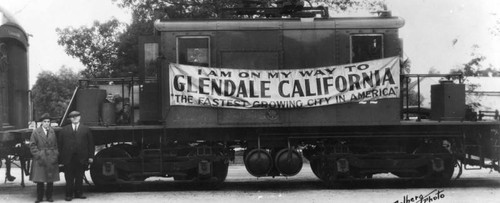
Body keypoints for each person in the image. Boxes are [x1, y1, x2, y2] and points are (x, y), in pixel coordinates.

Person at [58, 111, 94, 201]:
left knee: (79, 176)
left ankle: (79, 193)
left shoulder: (86, 129)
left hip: (81, 158)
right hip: (68, 158)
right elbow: (60, 145)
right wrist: (60, 159)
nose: (74, 118)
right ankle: (69, 195)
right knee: (69, 177)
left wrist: (90, 157)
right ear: (70, 119)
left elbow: (91, 144)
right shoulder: (64, 130)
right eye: (72, 117)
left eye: (76, 116)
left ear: (80, 117)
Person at [29, 113, 59, 203]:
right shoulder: (36, 132)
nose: (46, 123)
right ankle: (39, 197)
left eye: (48, 122)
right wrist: (38, 155)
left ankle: (49, 197)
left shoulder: (52, 131)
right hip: (40, 157)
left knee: (50, 179)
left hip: (51, 156)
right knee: (40, 179)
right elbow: (32, 145)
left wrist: (56, 154)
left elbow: (55, 145)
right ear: (41, 122)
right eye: (45, 121)